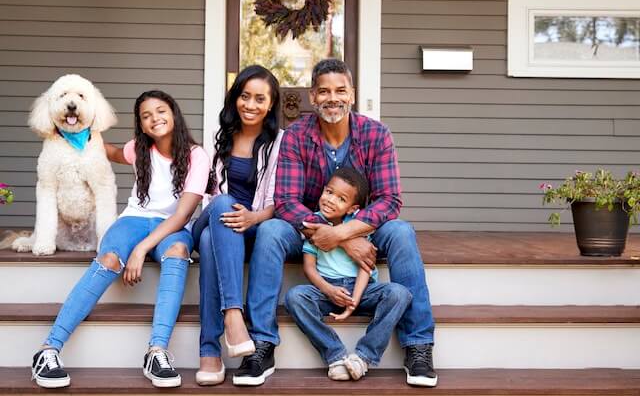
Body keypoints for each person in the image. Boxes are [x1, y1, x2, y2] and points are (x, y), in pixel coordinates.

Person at [259, 58, 438, 387]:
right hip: (310, 227)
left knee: (400, 231)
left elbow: (389, 200)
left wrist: (343, 232)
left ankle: (418, 346)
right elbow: (286, 202)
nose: (332, 98)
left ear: (352, 94)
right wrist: (335, 236)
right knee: (269, 230)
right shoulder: (296, 135)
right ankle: (262, 343)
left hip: (360, 225)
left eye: (340, 90)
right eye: (324, 91)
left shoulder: (376, 134)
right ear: (313, 97)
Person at [30, 90, 210, 389]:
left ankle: (157, 351)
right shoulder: (139, 149)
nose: (155, 119)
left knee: (178, 252)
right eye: (146, 116)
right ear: (140, 124)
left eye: (161, 110)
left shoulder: (196, 155)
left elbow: (182, 214)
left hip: (173, 227)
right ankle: (49, 349)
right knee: (109, 259)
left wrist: (141, 249)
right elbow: (110, 152)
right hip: (133, 220)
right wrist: (76, 137)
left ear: (174, 113)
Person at [191, 65, 283, 386]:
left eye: (260, 99)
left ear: (270, 105)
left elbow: (279, 201)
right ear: (235, 98)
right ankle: (233, 315)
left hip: (252, 226)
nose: (251, 105)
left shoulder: (279, 143)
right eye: (245, 96)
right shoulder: (223, 139)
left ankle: (209, 350)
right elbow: (208, 196)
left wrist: (253, 217)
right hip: (216, 217)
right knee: (221, 203)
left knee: (206, 244)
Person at [285, 167, 412, 381]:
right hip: (326, 290)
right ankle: (335, 355)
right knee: (294, 297)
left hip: (362, 291)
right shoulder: (314, 224)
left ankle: (363, 357)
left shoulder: (357, 227)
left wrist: (354, 301)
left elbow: (366, 266)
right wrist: (328, 289)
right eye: (329, 192)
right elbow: (309, 267)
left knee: (400, 294)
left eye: (341, 199)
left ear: (353, 208)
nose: (330, 200)